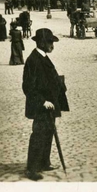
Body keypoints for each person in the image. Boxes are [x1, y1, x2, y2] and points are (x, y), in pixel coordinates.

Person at [22, 28, 69, 181]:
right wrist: (43, 102)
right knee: (38, 135)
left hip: (50, 104)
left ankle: (44, 162)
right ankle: (32, 168)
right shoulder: (33, 60)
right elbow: (28, 87)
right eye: (49, 42)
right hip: (41, 105)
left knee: (48, 133)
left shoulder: (43, 57)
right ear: (41, 42)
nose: (51, 45)